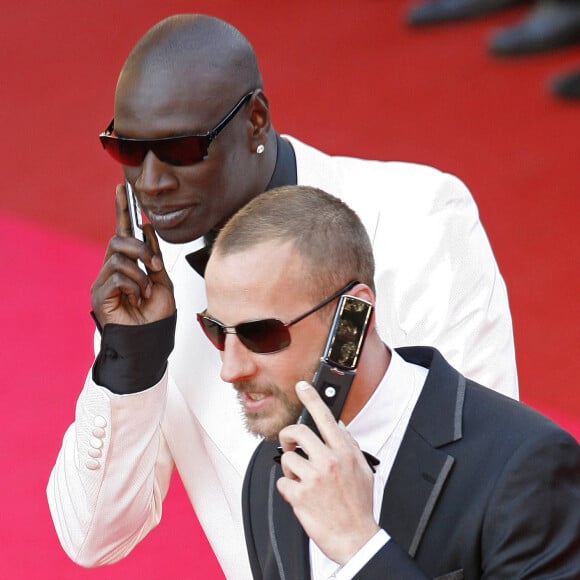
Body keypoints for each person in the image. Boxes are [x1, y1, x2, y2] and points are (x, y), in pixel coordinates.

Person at [46, 14, 518, 579]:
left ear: (256, 121)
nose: (149, 182)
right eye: (127, 149)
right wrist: (131, 364)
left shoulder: (417, 221)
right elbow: (92, 537)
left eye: (179, 148)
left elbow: (480, 486)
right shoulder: (157, 285)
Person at [200, 184, 580, 579]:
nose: (230, 368)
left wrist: (360, 547)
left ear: (352, 318)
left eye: (260, 334)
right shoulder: (270, 468)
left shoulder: (526, 465)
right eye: (215, 330)